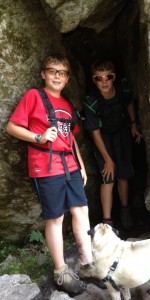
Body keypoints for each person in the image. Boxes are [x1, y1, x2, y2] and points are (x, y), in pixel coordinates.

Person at [6, 53, 93, 294]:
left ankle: (88, 263)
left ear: (67, 79)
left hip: (70, 165)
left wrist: (82, 165)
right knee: (56, 217)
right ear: (43, 74)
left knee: (81, 210)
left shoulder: (67, 104)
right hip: (45, 165)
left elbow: (71, 137)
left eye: (62, 72)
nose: (57, 76)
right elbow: (12, 127)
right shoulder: (34, 96)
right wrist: (39, 137)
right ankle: (61, 272)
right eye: (52, 71)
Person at [83, 59, 142, 231]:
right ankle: (107, 222)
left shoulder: (122, 88)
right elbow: (94, 132)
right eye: (98, 78)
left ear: (114, 77)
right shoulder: (91, 101)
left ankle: (125, 211)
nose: (104, 81)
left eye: (108, 77)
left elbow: (129, 101)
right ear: (93, 80)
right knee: (108, 177)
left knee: (123, 174)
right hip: (103, 138)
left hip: (122, 133)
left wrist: (133, 123)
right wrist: (108, 159)